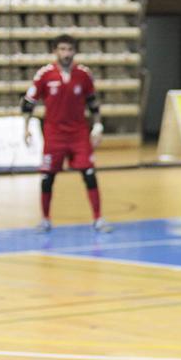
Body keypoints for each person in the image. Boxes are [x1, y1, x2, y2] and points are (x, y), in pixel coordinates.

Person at [22, 34, 109, 232]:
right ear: (55, 51)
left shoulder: (84, 74)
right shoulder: (44, 74)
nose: (66, 53)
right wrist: (25, 128)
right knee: (47, 177)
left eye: (69, 49)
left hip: (79, 134)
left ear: (74, 52)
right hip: (54, 135)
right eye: (62, 49)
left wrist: (98, 126)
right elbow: (28, 102)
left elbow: (93, 102)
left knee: (89, 173)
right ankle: (45, 219)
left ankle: (98, 218)